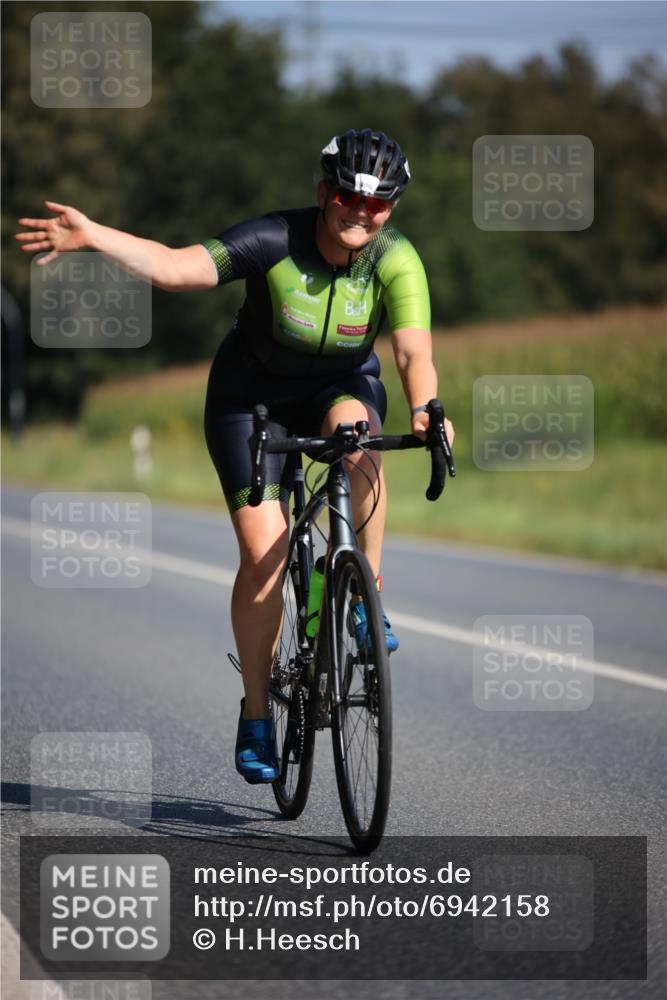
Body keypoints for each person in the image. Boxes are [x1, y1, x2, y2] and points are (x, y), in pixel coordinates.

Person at [16, 128, 454, 784]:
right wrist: (94, 235)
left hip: (341, 385)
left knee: (361, 443)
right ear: (322, 193)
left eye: (377, 203)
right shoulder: (274, 239)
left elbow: (412, 351)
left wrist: (425, 407)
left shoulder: (395, 258)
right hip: (252, 398)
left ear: (391, 207)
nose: (359, 212)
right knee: (263, 557)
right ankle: (256, 712)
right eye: (345, 196)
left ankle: (365, 597)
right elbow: (172, 267)